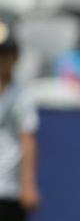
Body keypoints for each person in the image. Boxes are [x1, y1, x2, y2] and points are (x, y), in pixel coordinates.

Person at [0, 21, 40, 221]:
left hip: (8, 188)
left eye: (5, 55)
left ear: (14, 58)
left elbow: (27, 140)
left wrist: (28, 184)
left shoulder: (21, 96)